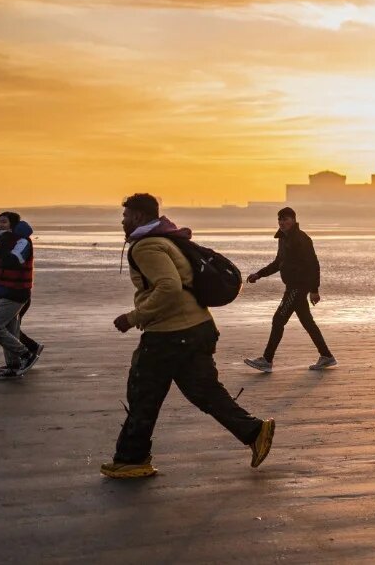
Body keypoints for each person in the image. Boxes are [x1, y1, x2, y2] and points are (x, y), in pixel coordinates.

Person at [101, 194, 274, 479]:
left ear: (140, 217)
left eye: (126, 215)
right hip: (197, 328)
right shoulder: (166, 239)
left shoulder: (147, 246)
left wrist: (133, 318)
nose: (122, 221)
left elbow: (169, 288)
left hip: (169, 335)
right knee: (204, 392)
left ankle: (132, 460)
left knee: (143, 393)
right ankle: (255, 431)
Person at [243, 207, 335, 373]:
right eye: (279, 219)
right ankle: (326, 356)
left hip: (298, 287)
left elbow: (313, 265)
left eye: (285, 219)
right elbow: (278, 262)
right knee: (307, 322)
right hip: (293, 287)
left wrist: (314, 289)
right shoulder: (283, 238)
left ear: (293, 220)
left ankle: (267, 360)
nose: (282, 223)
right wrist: (259, 274)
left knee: (278, 320)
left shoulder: (302, 239)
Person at [0, 212, 40, 379]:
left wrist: (5, 241)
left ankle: (27, 354)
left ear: (13, 224)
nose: (0, 225)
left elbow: (13, 261)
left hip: (16, 293)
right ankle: (13, 366)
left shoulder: (22, 241)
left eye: (4, 222)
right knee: (11, 330)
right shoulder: (5, 241)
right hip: (3, 293)